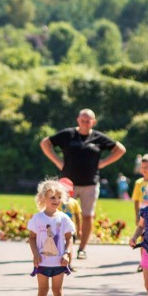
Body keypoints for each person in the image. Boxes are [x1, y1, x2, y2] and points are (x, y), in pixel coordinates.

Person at [40, 109, 126, 260]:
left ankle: (82, 248)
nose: (85, 123)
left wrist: (104, 163)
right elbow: (45, 143)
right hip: (67, 185)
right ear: (77, 120)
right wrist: (57, 161)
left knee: (87, 215)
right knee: (61, 215)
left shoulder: (98, 137)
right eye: (83, 120)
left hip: (89, 183)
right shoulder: (68, 134)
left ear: (94, 122)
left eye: (88, 121)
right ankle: (59, 245)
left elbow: (120, 149)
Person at [28, 179, 75, 296]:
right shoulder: (38, 218)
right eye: (52, 197)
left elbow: (69, 239)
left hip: (58, 263)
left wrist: (67, 253)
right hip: (42, 262)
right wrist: (35, 254)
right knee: (42, 290)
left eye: (59, 197)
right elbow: (32, 238)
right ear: (43, 198)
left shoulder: (64, 218)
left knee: (57, 291)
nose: (56, 200)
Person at [131, 154, 148, 272]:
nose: (144, 169)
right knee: (143, 238)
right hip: (144, 214)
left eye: (147, 167)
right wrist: (137, 216)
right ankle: (143, 262)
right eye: (142, 167)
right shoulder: (139, 183)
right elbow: (136, 200)